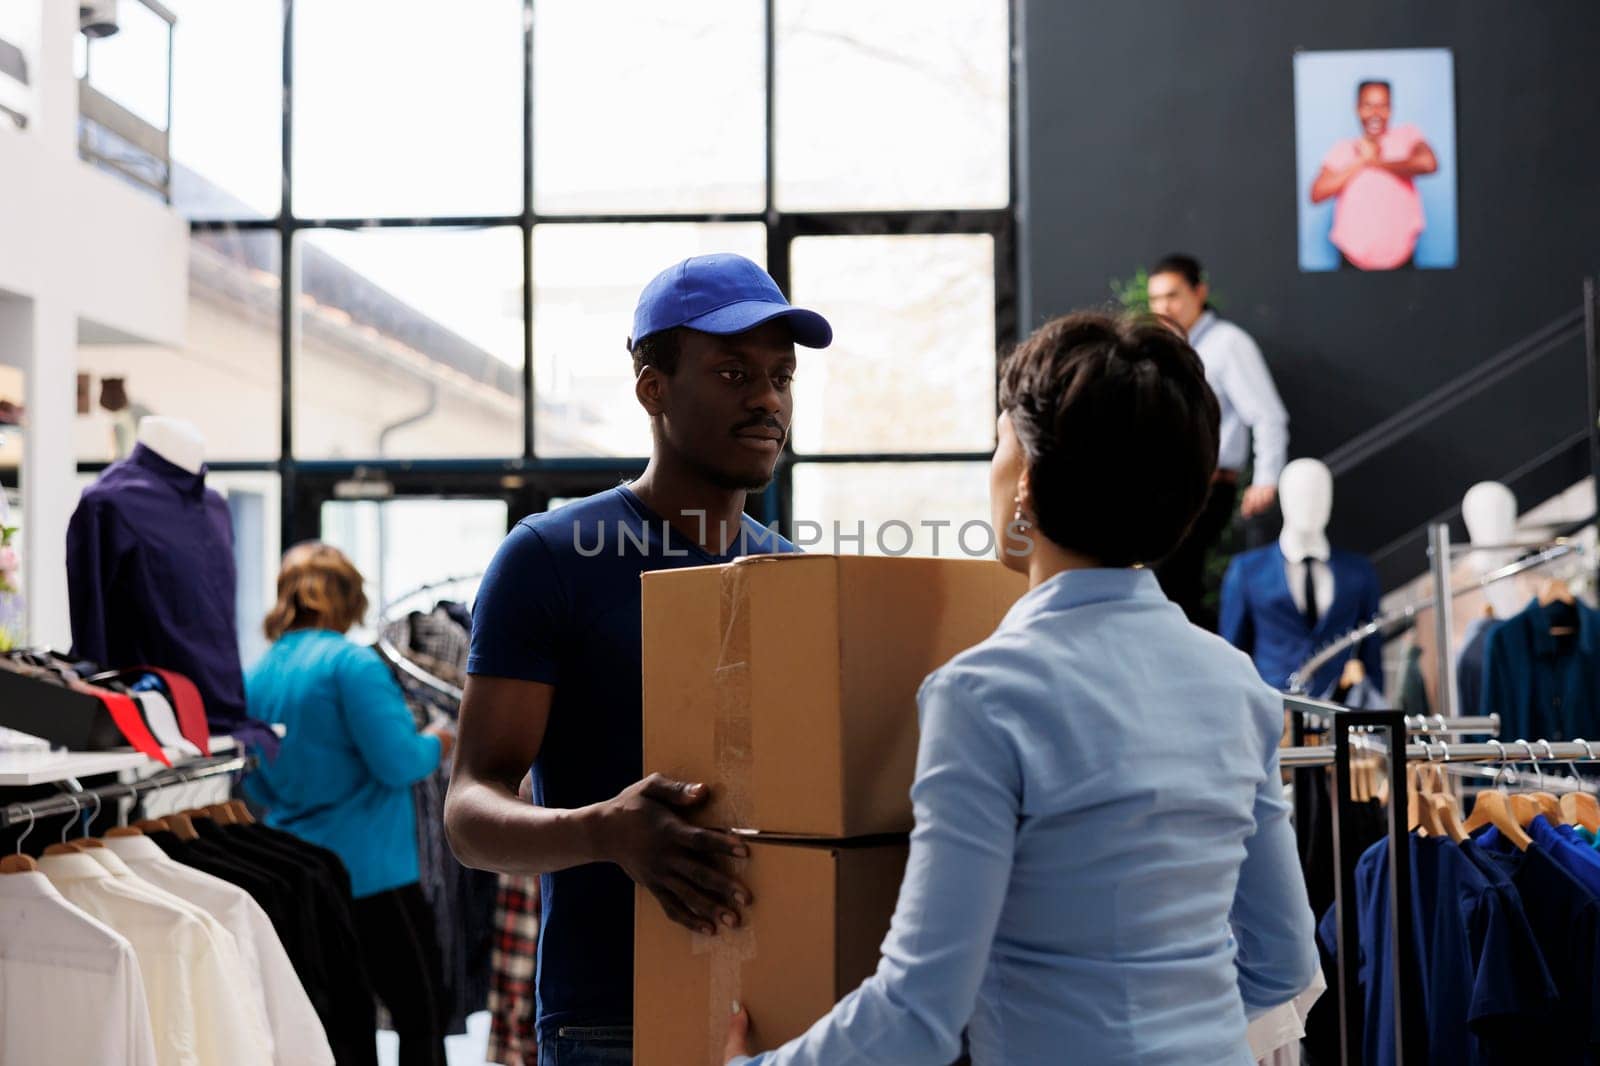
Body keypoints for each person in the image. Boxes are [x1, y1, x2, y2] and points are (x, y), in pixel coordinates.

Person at [724, 311, 1317, 1065]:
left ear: (1026, 478)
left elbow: (918, 1014)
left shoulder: (985, 694)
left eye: (1001, 441)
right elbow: (1284, 963)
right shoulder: (1237, 685)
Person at [444, 253, 833, 1065]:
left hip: (778, 1015)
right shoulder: (550, 559)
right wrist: (605, 833)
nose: (767, 399)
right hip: (608, 1023)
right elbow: (469, 813)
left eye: (781, 377)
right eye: (733, 372)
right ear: (652, 388)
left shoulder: (790, 575)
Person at [244, 541, 454, 1066]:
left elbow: (256, 788)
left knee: (340, 1023)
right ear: (348, 598)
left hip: (303, 876)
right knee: (420, 1015)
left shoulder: (258, 674)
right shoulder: (352, 666)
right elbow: (400, 763)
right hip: (374, 874)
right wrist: (442, 740)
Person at [1148, 254, 1289, 630]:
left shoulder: (1228, 344)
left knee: (1173, 580)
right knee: (1175, 583)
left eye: (1173, 295)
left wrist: (1265, 479)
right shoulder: (1167, 346)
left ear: (1199, 292)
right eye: (1156, 299)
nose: (1164, 306)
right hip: (1171, 489)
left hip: (1209, 487)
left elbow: (1268, 414)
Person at [1309, 79, 1439, 271]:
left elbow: (1428, 163)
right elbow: (1317, 193)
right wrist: (1361, 161)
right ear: (1358, 109)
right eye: (1368, 106)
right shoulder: (1343, 149)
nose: (1375, 113)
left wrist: (1374, 161)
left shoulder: (1408, 136)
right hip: (1352, 263)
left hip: (1403, 261)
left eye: (1382, 106)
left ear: (1390, 109)